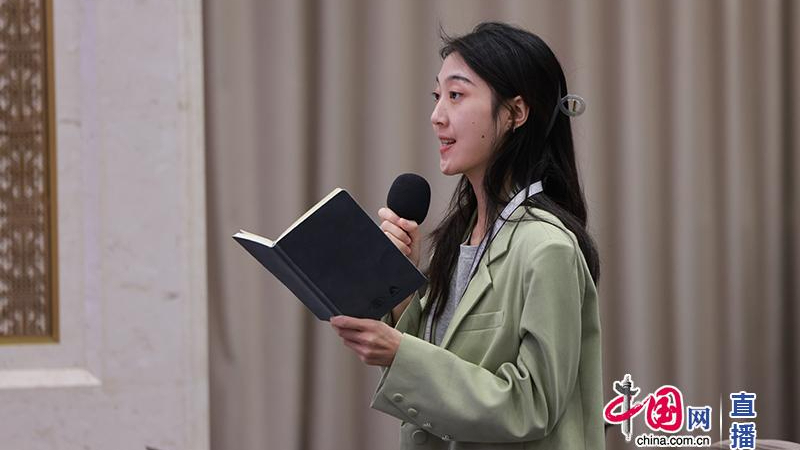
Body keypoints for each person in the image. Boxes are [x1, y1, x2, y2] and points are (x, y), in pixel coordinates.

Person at [330, 21, 604, 449]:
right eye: (437, 96)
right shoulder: (462, 236)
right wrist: (403, 298)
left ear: (515, 113)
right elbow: (444, 379)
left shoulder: (547, 248)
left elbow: (532, 405)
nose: (437, 116)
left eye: (456, 95)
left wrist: (400, 353)